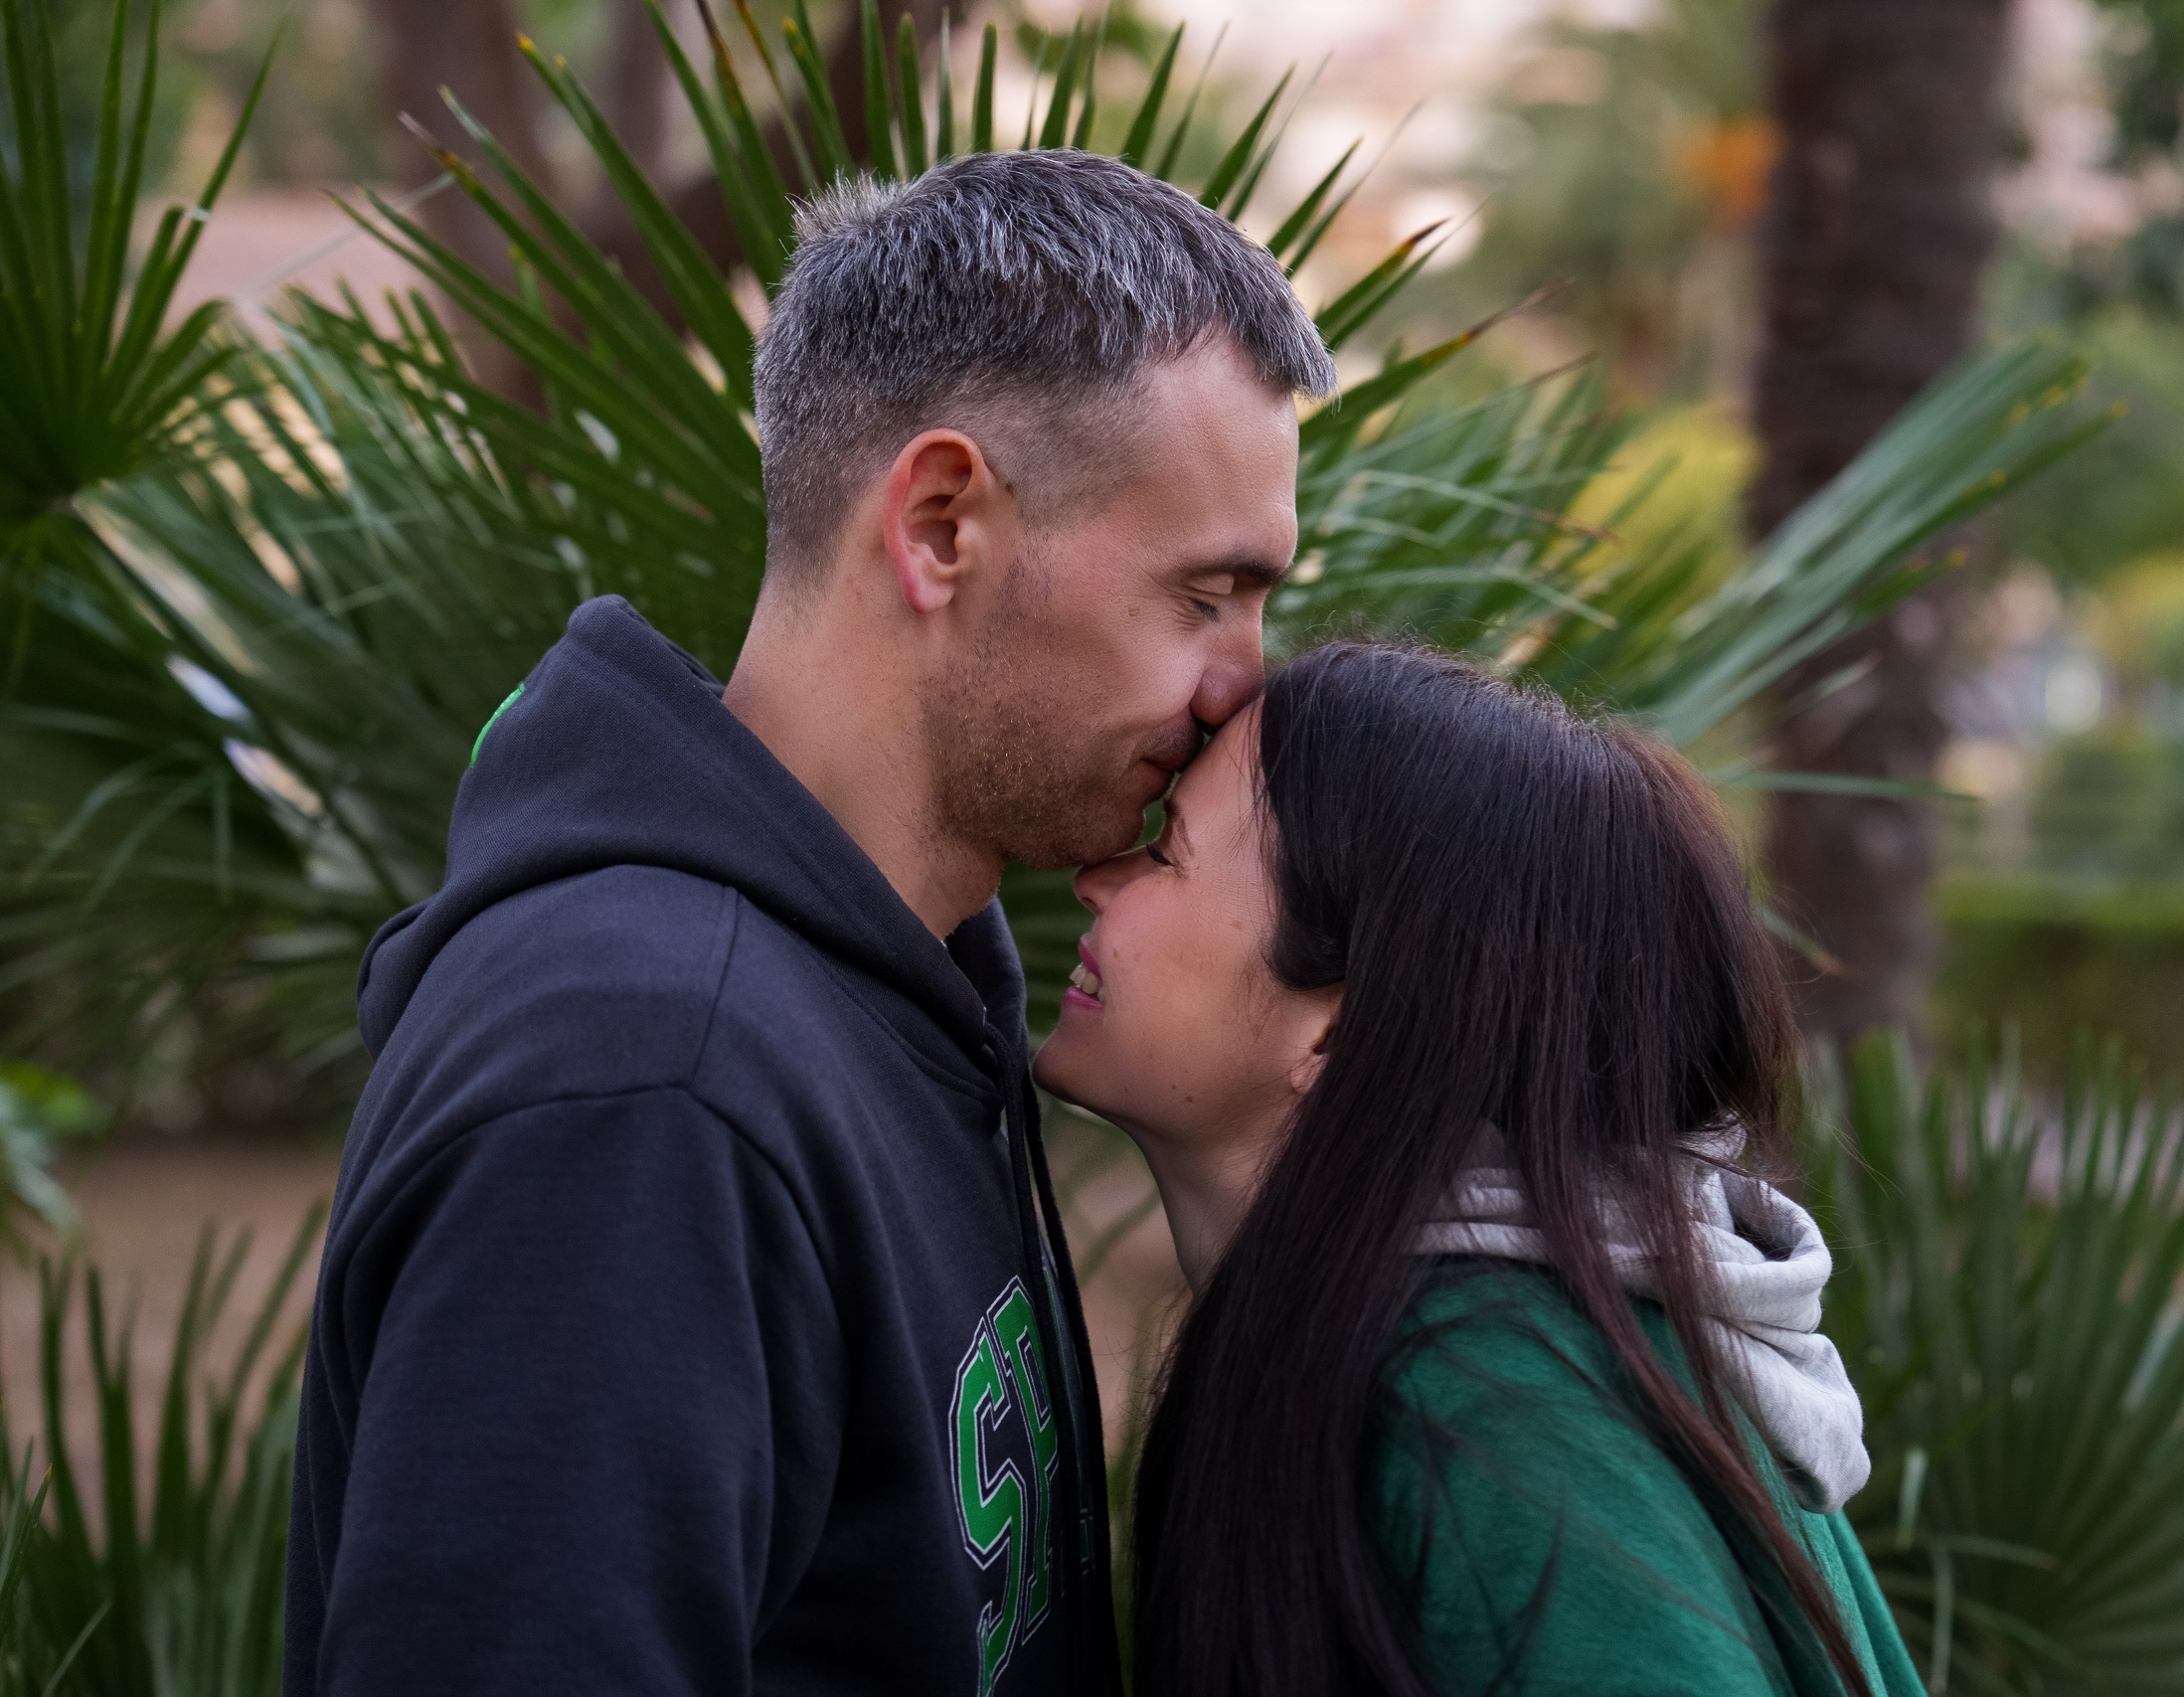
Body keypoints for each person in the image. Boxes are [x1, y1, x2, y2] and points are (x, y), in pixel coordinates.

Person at [282, 150, 1334, 1697]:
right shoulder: (650, 1083)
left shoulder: (906, 980)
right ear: (943, 524)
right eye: (1205, 594)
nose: (1246, 679)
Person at [1035, 640, 1924, 1697]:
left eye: (1168, 852)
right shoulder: (1487, 1346)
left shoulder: (1483, 1411)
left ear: (1339, 1028)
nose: (1096, 879)